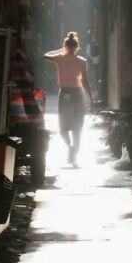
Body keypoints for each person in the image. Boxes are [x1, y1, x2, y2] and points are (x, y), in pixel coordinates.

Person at [44, 31, 94, 166]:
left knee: (63, 128)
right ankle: (75, 158)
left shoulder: (60, 58)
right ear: (77, 47)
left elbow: (46, 55)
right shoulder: (82, 61)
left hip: (65, 95)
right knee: (77, 128)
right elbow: (85, 82)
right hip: (78, 95)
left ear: (66, 46)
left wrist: (62, 50)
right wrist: (91, 97)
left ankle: (70, 147)